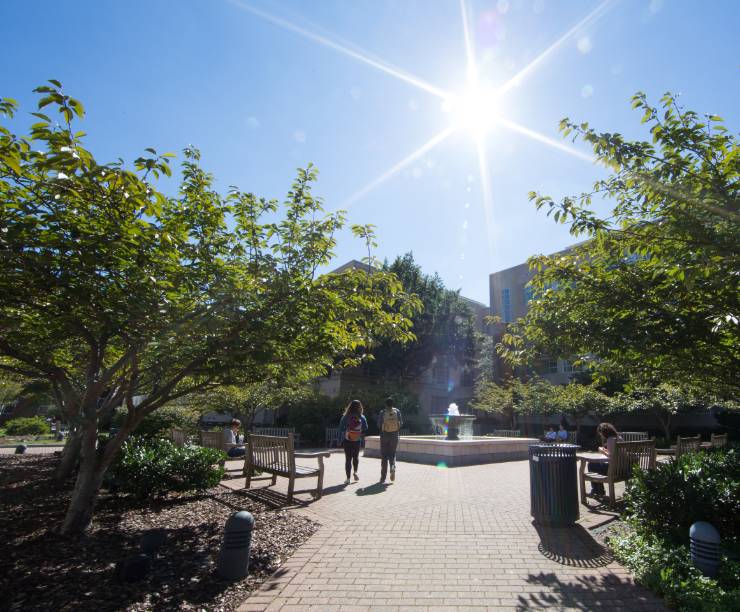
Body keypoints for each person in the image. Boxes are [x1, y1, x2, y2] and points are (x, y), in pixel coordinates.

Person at [338, 400, 368, 485]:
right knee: (355, 457)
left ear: (350, 406)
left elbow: (340, 429)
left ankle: (348, 479)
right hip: (357, 440)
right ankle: (355, 472)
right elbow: (366, 428)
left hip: (347, 440)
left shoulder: (345, 416)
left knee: (348, 459)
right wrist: (358, 431)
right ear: (360, 407)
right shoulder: (362, 417)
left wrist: (340, 440)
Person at [588, 422, 622, 496]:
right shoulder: (619, 438)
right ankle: (598, 491)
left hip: (613, 470)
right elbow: (615, 453)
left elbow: (611, 457)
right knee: (596, 466)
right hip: (621, 468)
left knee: (591, 464)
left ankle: (598, 490)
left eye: (600, 433)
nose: (600, 435)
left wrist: (602, 451)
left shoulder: (610, 439)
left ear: (603, 432)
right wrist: (606, 450)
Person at [376, 397, 403, 483]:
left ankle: (383, 477)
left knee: (384, 456)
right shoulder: (397, 411)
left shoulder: (382, 412)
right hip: (394, 435)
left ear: (385, 404)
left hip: (384, 435)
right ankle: (392, 467)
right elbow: (401, 423)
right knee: (392, 453)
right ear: (392, 404)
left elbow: (379, 425)